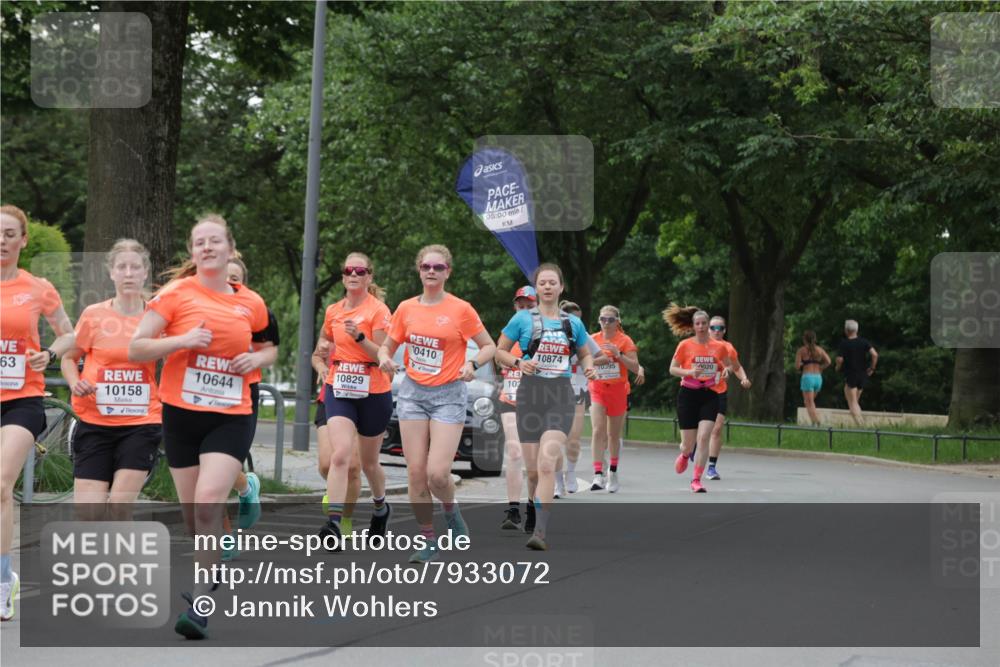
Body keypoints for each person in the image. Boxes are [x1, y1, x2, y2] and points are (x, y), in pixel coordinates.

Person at [129, 214, 271, 639]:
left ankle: (200, 603)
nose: (207, 248)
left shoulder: (253, 303)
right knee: (195, 518)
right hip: (181, 415)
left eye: (215, 241)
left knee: (208, 503)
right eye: (199, 242)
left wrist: (257, 358)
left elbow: (267, 348)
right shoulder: (175, 294)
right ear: (193, 252)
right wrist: (183, 341)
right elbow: (137, 347)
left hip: (232, 414)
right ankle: (209, 570)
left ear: (230, 249)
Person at [378, 245, 496, 563]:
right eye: (426, 266)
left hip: (448, 396)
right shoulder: (406, 309)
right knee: (416, 473)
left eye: (438, 267)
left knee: (438, 475)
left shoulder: (461, 309)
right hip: (413, 395)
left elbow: (489, 346)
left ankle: (451, 511)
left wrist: (472, 363)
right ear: (419, 270)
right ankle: (428, 539)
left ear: (447, 272)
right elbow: (386, 346)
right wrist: (385, 357)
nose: (432, 271)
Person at [1, 205, 76, 623]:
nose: (1, 240)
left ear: (24, 240)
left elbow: (70, 333)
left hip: (21, 399)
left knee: (1, 483)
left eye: (10, 234)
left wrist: (48, 353)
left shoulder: (37, 287)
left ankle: (2, 581)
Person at [60, 240, 163, 520]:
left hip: (141, 423)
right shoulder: (94, 315)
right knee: (89, 514)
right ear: (111, 272)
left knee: (119, 506)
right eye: (122, 267)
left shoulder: (157, 318)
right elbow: (69, 358)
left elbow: (177, 357)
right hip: (95, 422)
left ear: (145, 272)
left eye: (135, 267)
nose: (128, 273)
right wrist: (75, 383)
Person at [496, 263, 596, 550]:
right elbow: (500, 351)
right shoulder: (522, 319)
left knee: (547, 463)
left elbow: (585, 354)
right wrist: (519, 362)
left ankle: (540, 532)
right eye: (543, 283)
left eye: (553, 282)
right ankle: (531, 506)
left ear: (561, 287)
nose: (548, 287)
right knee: (532, 471)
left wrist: (589, 367)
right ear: (537, 288)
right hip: (530, 395)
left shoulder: (572, 323)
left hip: (560, 395)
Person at [317, 252, 394, 549]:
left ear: (369, 276)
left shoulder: (378, 310)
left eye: (360, 271)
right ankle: (334, 524)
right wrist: (321, 358)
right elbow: (325, 341)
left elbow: (381, 354)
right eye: (349, 270)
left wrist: (360, 337)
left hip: (373, 390)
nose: (354, 275)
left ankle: (380, 507)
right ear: (343, 276)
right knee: (341, 455)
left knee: (370, 464)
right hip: (340, 388)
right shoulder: (333, 310)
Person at [213, 257, 273, 561]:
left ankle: (247, 487)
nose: (229, 283)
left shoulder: (254, 312)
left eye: (235, 278)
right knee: (206, 469)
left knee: (222, 468)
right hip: (202, 396)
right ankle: (223, 537)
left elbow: (268, 351)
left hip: (241, 396)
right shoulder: (198, 307)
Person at [664, 304, 736, 493]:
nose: (702, 327)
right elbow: (672, 369)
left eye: (704, 323)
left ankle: (696, 479)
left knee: (704, 437)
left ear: (708, 324)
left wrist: (726, 372)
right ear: (693, 326)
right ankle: (685, 454)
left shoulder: (719, 347)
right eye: (698, 323)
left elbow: (728, 366)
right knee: (688, 445)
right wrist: (689, 372)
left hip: (710, 394)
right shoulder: (685, 345)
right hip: (688, 395)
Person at [311, 339, 362, 536]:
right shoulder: (333, 325)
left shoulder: (376, 326)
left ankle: (344, 519)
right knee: (326, 464)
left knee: (353, 467)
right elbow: (316, 356)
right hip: (331, 397)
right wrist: (321, 366)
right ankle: (334, 488)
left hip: (363, 401)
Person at [588, 305, 640, 494]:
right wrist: (597, 362)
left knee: (613, 435)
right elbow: (584, 360)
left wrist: (619, 355)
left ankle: (613, 472)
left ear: (617, 321)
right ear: (599, 320)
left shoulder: (625, 340)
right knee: (597, 431)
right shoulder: (593, 339)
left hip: (618, 391)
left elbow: (635, 367)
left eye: (610, 320)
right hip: (598, 389)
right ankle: (597, 474)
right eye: (603, 319)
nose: (606, 323)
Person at [498, 286, 535, 530]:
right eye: (520, 306)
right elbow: (497, 354)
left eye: (529, 306)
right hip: (510, 398)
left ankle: (532, 506)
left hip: (537, 403)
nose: (524, 310)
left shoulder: (546, 334)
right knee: (513, 452)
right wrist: (509, 363)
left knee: (533, 460)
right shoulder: (510, 333)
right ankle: (513, 510)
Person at [554, 300, 592, 499]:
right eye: (573, 319)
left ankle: (570, 472)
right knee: (555, 438)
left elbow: (600, 356)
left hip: (577, 389)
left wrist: (586, 363)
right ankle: (558, 482)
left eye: (580, 319)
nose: (577, 323)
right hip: (554, 388)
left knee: (573, 438)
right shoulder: (550, 333)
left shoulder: (583, 335)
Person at [705, 316, 750, 481]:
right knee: (697, 431)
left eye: (720, 328)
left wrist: (743, 378)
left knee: (716, 429)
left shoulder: (728, 347)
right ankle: (690, 449)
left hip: (719, 392)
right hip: (698, 391)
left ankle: (711, 467)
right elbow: (685, 363)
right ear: (708, 329)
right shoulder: (699, 344)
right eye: (713, 328)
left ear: (724, 330)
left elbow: (736, 366)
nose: (716, 331)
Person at [835, 319, 878, 427]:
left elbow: (840, 360)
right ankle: (856, 426)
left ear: (846, 330)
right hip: (862, 375)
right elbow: (875, 354)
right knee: (855, 402)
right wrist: (872, 368)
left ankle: (862, 426)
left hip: (851, 375)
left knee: (852, 403)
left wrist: (837, 367)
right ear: (856, 330)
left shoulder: (844, 343)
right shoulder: (864, 342)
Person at [795, 329, 831, 427]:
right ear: (814, 339)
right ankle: (814, 422)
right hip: (818, 378)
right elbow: (828, 361)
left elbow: (797, 366)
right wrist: (821, 368)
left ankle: (816, 422)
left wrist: (802, 364)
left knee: (808, 402)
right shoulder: (820, 350)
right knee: (810, 402)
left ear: (804, 339)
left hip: (808, 377)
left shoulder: (801, 350)